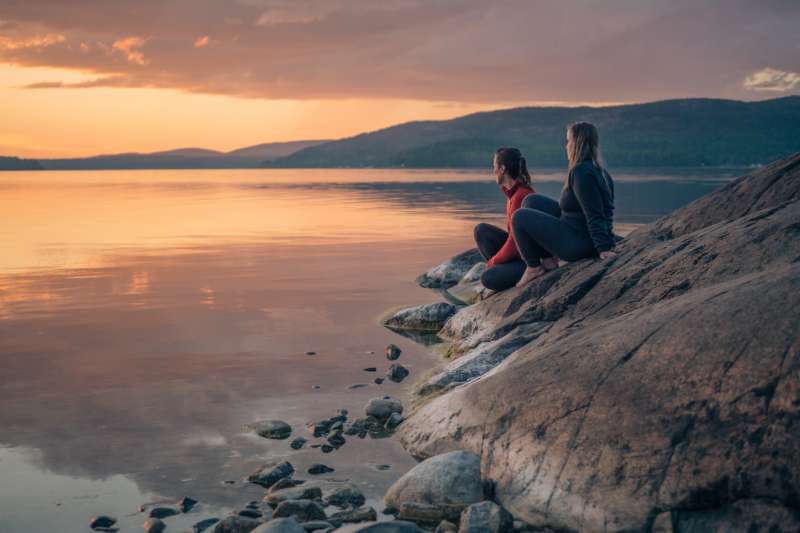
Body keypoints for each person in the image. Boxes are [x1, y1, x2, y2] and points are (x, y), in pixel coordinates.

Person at [512, 122, 617, 287]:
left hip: (578, 243)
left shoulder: (581, 172)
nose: (566, 146)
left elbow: (594, 213)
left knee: (519, 217)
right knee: (531, 201)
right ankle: (548, 260)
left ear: (577, 144)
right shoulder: (599, 171)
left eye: (568, 141)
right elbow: (607, 212)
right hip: (576, 229)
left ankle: (533, 267)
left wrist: (604, 247)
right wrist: (608, 239)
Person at [473, 147, 539, 292]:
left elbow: (514, 243)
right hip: (520, 253)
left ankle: (502, 274)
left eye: (494, 166)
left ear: (502, 169)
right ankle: (502, 271)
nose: (493, 171)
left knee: (488, 278)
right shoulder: (512, 195)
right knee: (481, 230)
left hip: (530, 261)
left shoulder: (521, 195)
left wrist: (493, 262)